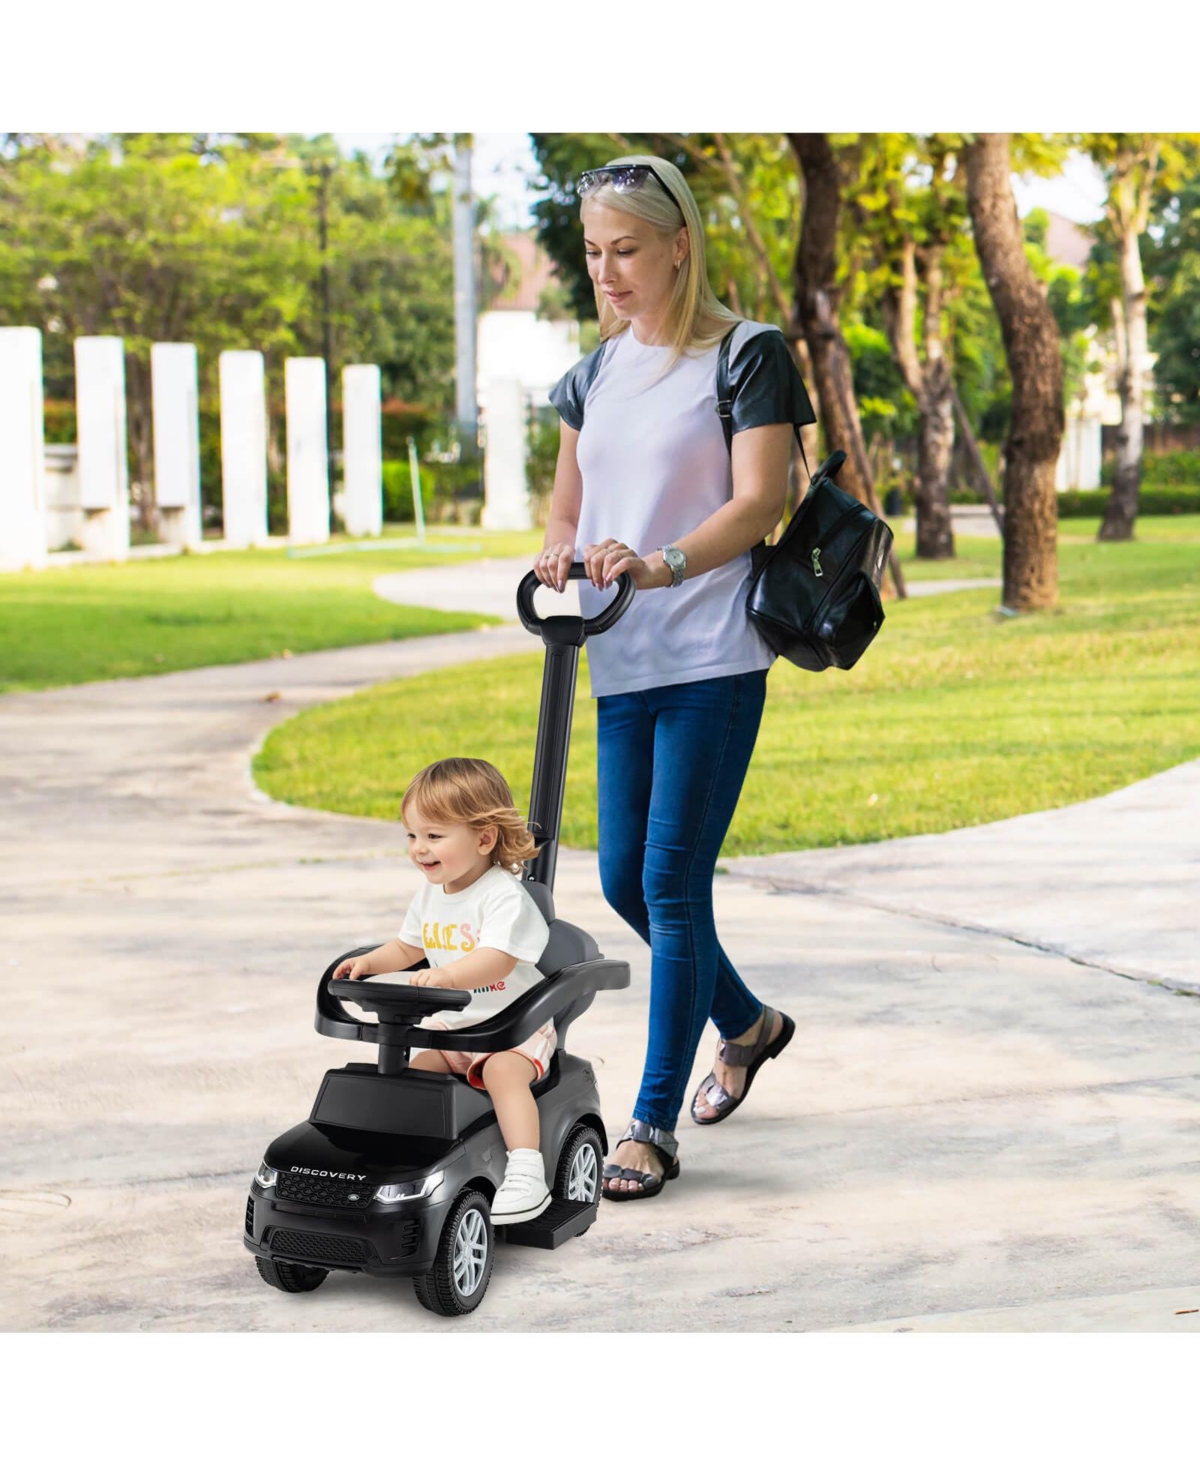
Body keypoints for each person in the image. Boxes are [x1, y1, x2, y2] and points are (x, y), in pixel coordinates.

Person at [536, 155, 811, 1202]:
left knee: (668, 883)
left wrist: (664, 564)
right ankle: (747, 1022)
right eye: (595, 252)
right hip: (619, 655)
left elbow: (759, 505)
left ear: (679, 245)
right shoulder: (591, 375)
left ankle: (650, 1121)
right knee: (619, 879)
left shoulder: (746, 356)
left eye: (628, 250)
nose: (607, 272)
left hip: (713, 651)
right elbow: (566, 509)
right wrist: (558, 557)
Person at [336, 757, 556, 1225]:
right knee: (417, 1074)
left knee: (501, 1075)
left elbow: (497, 957)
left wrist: (450, 976)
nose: (419, 849)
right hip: (455, 1029)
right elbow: (405, 947)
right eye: (412, 836)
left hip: (511, 1030)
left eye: (434, 836)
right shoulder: (431, 894)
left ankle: (525, 1171)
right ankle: (409, 1160)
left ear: (483, 837)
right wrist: (369, 964)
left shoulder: (503, 897)